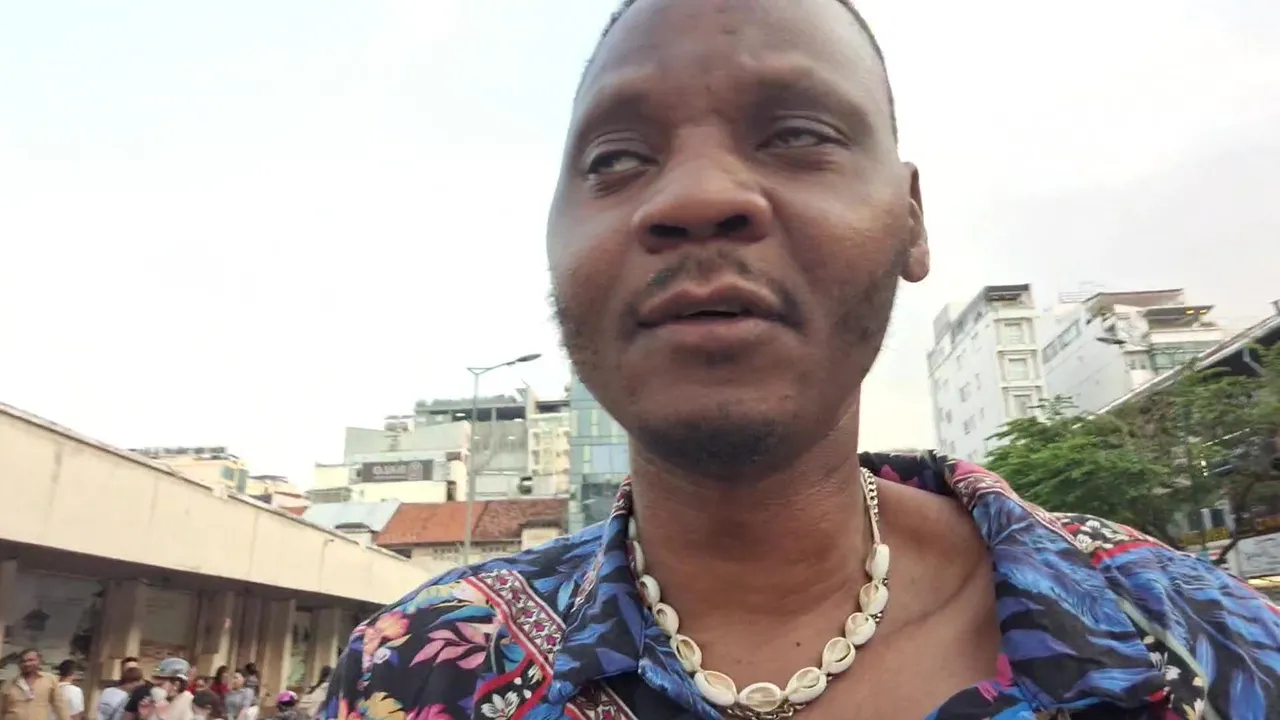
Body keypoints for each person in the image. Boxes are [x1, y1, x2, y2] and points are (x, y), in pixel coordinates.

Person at [323, 1, 1280, 718]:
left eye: (796, 135)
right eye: (615, 159)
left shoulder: (1207, 639)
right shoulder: (411, 671)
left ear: (911, 220)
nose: (696, 197)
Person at [0, 649, 69, 720]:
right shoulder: (9, 684)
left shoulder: (50, 680)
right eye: (23, 661)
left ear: (39, 661)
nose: (27, 664)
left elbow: (60, 706)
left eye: (31, 660)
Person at [122, 658, 193, 720]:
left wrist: (162, 715)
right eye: (154, 685)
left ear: (176, 685)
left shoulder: (189, 704)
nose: (155, 689)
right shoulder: (161, 701)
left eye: (159, 685)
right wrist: (144, 716)